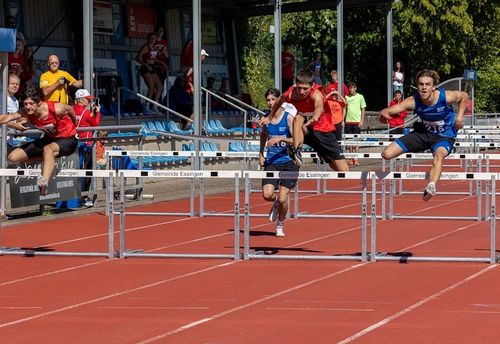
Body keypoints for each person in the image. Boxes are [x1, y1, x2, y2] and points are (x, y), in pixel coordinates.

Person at [379, 69, 468, 201]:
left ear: (433, 87)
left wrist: (459, 118)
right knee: (386, 154)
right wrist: (383, 115)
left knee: (439, 155)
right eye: (421, 84)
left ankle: (431, 186)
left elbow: (464, 96)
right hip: (423, 134)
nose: (424, 88)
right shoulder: (413, 101)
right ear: (417, 86)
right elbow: (388, 111)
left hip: (444, 135)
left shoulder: (445, 96)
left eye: (427, 84)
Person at [266, 69, 349, 172]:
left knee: (341, 169)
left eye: (305, 89)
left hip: (322, 129)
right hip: (306, 129)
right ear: (296, 85)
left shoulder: (316, 93)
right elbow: (279, 101)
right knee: (298, 117)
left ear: (312, 85)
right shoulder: (291, 93)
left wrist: (316, 116)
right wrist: (269, 117)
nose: (301, 92)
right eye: (299, 88)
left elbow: (319, 105)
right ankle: (296, 150)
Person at [6, 86, 78, 196]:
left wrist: (75, 125)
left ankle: (44, 183)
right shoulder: (25, 112)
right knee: (13, 157)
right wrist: (15, 125)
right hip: (50, 138)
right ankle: (50, 160)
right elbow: (6, 118)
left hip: (68, 139)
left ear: (39, 103)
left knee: (48, 149)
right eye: (25, 104)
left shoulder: (56, 109)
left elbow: (70, 109)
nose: (28, 107)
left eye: (31, 104)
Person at [259, 88, 298, 237]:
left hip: (289, 161)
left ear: (279, 101)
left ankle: (280, 224)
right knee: (267, 195)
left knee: (283, 198)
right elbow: (263, 136)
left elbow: (297, 140)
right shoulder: (265, 119)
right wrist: (261, 153)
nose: (270, 103)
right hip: (272, 161)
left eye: (273, 100)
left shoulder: (288, 118)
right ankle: (274, 202)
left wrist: (281, 138)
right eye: (268, 100)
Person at [73, 89, 101, 206]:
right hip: (86, 144)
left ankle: (76, 197)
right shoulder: (86, 112)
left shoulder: (70, 110)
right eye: (87, 99)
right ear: (80, 100)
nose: (89, 101)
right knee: (87, 170)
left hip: (73, 143)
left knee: (76, 171)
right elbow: (96, 123)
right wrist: (97, 112)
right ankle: (83, 197)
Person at [135, 32, 163, 115]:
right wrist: (146, 65)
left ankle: (155, 106)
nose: (153, 40)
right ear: (148, 39)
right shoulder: (146, 47)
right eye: (151, 38)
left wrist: (162, 64)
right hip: (145, 68)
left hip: (152, 68)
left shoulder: (154, 47)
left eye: (154, 38)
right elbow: (137, 58)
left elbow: (153, 58)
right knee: (151, 88)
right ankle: (146, 107)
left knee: (159, 86)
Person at [345, 82, 366, 166]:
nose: (351, 89)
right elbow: (344, 109)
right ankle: (351, 157)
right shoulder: (346, 97)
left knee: (356, 140)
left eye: (352, 88)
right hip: (348, 121)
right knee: (349, 141)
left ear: (355, 88)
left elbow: (363, 109)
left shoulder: (360, 96)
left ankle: (356, 158)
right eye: (349, 88)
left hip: (357, 121)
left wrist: (362, 121)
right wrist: (343, 120)